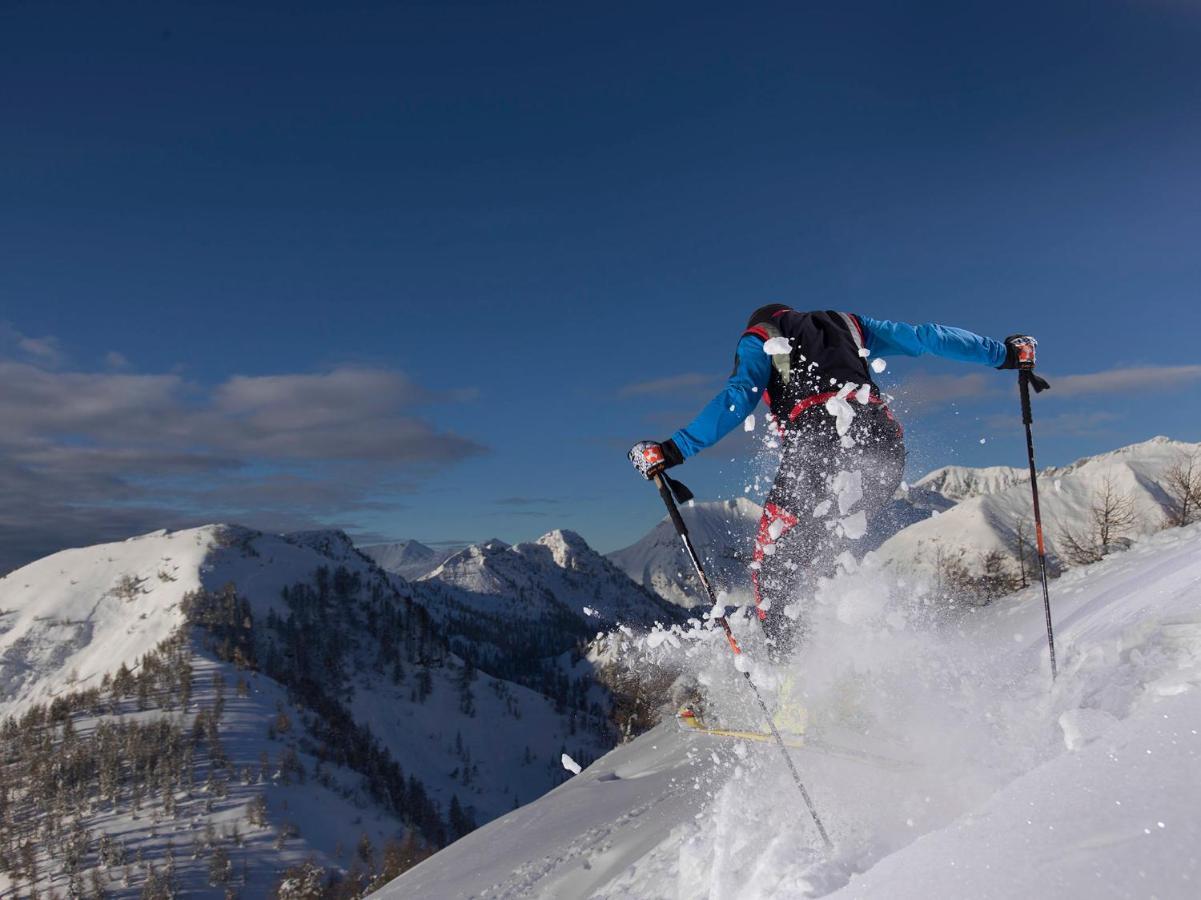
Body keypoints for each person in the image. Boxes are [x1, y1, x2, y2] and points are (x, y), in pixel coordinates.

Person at [630, 305, 1036, 661]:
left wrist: (673, 449)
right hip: (884, 445)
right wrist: (1004, 354)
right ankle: (844, 666)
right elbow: (926, 337)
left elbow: (739, 395)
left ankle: (792, 686)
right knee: (821, 557)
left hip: (821, 444)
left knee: (773, 566)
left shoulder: (760, 338)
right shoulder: (848, 323)